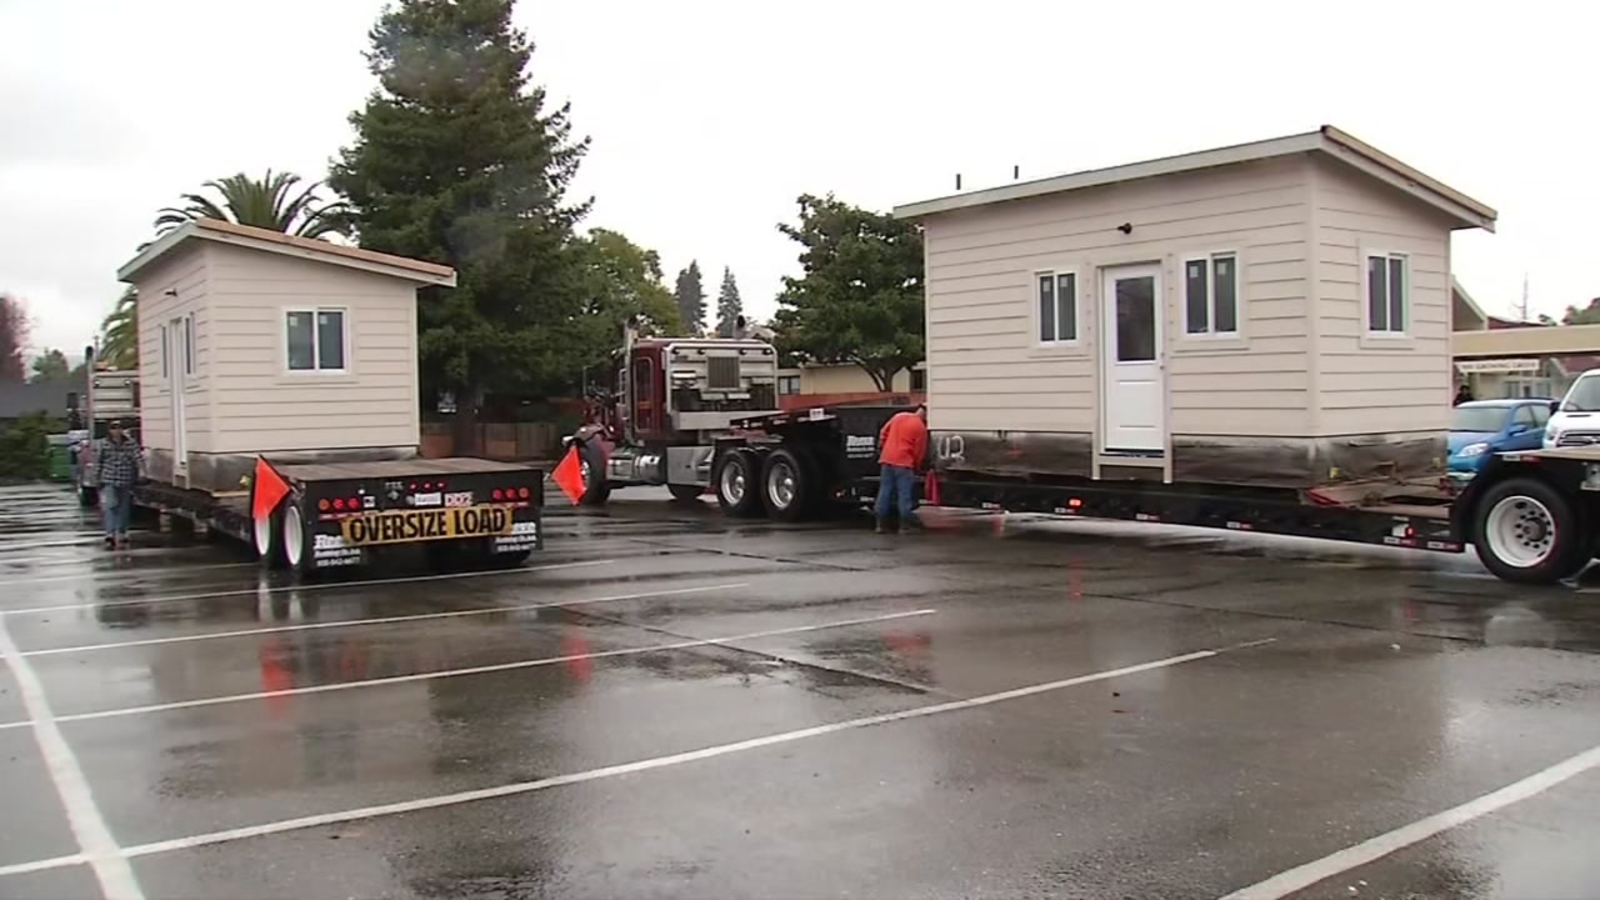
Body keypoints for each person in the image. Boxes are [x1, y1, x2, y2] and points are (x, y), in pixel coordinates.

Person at [875, 403, 929, 534]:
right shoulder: (920, 428)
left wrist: (882, 446)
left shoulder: (899, 416)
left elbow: (883, 432)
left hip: (887, 459)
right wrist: (917, 466)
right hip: (904, 463)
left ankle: (881, 525)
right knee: (904, 495)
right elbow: (919, 451)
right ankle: (905, 526)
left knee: (885, 491)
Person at [95, 420, 140, 549]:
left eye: (119, 428)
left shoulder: (130, 443)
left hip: (126, 479)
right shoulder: (103, 444)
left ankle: (122, 532)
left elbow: (137, 458)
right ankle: (109, 533)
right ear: (109, 430)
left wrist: (141, 472)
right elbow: (99, 461)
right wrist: (97, 478)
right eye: (114, 428)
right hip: (109, 479)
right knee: (110, 506)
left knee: (124, 507)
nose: (117, 430)